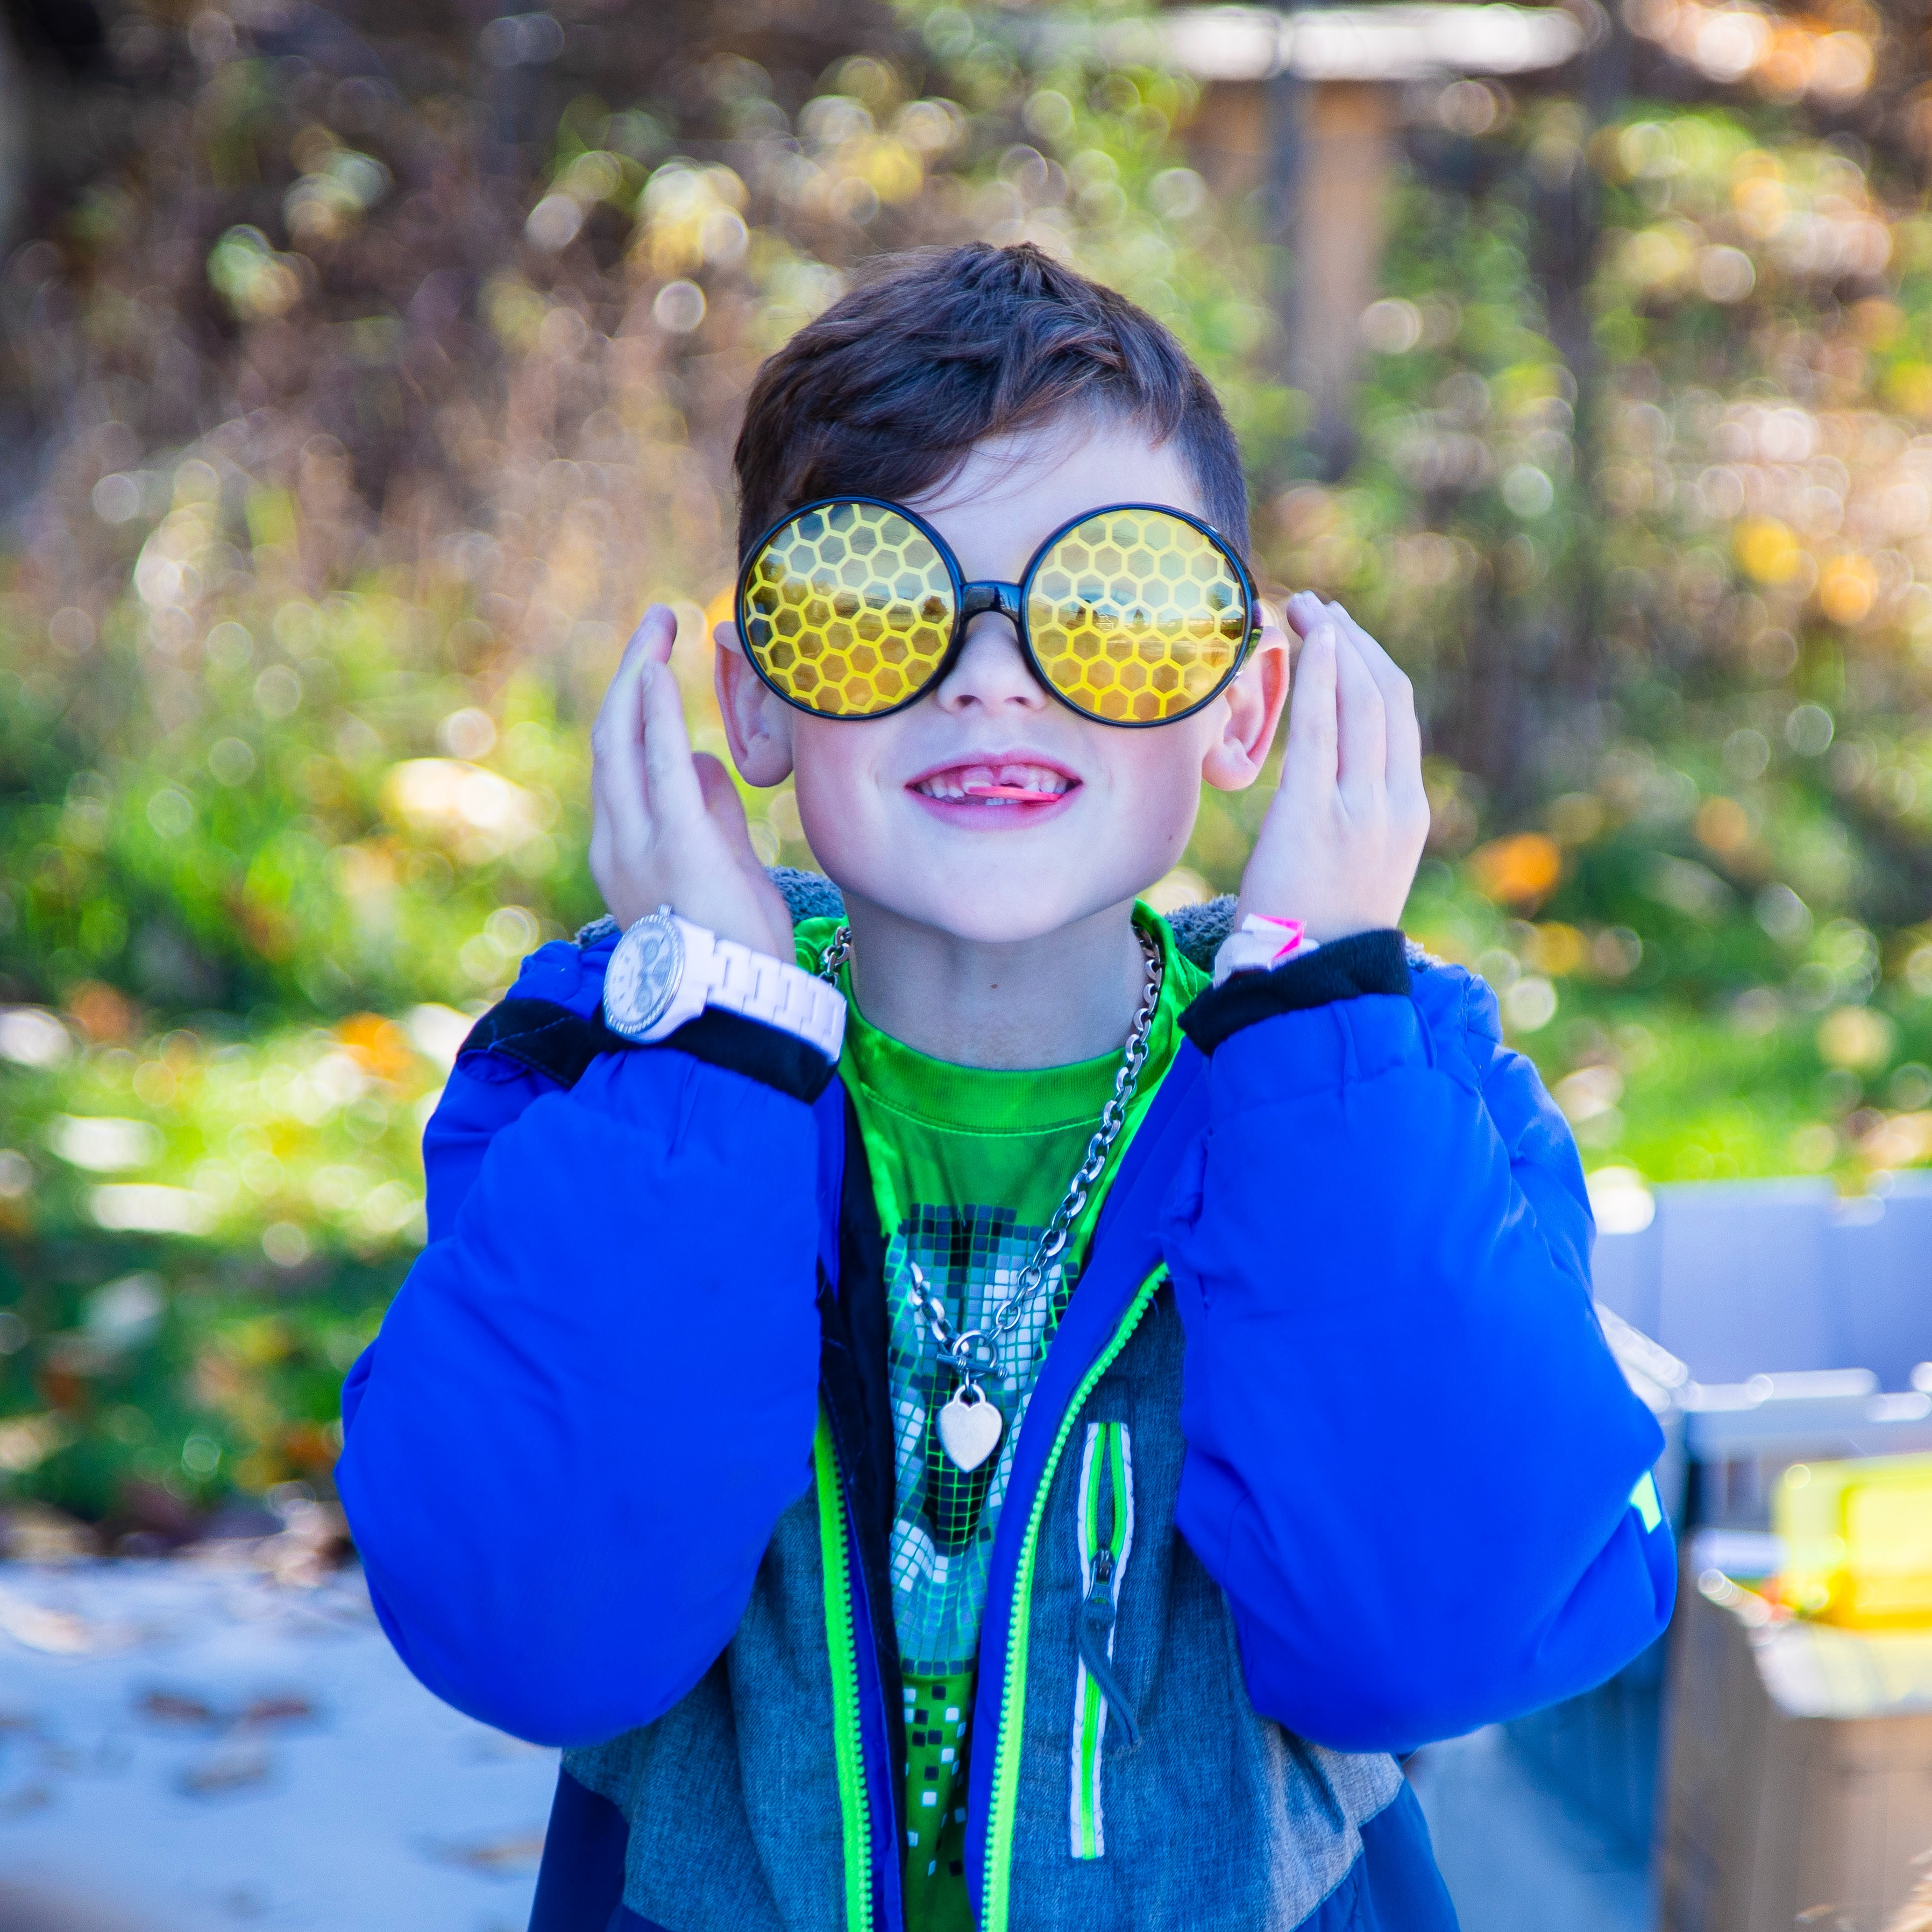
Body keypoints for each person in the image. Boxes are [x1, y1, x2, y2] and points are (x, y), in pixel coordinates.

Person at [337, 242, 1675, 1932]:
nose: (988, 671)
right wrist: (717, 1051)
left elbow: (1424, 1640)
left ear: (1245, 703)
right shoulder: (606, 1080)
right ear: (753, 698)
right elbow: (534, 1631)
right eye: (870, 600)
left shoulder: (1398, 1091)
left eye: (1110, 605)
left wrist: (1321, 1015)